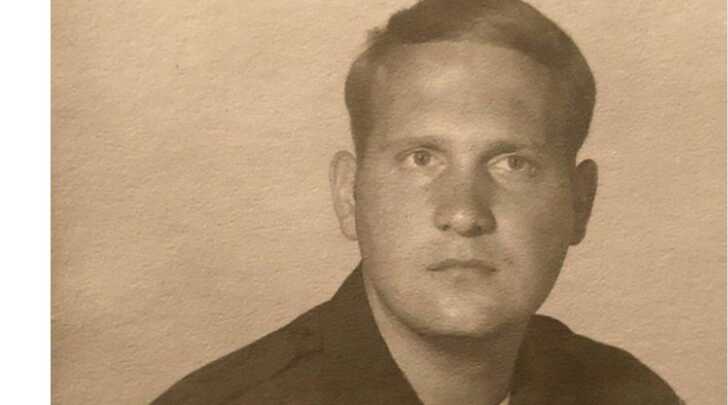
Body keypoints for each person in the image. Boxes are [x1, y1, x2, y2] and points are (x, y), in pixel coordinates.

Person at [153, 0, 681, 404]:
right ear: (348, 193)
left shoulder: (631, 395)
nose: (464, 213)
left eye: (513, 164)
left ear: (580, 203)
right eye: (421, 159)